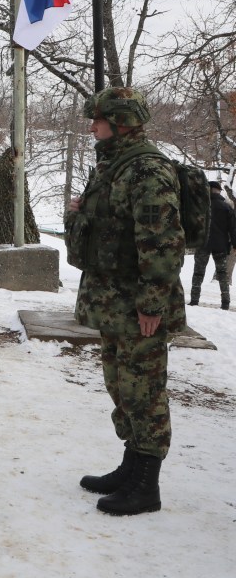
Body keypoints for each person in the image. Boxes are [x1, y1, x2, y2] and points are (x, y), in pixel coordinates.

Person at [66, 87, 186, 515]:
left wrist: (152, 303)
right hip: (114, 303)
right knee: (121, 386)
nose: (91, 125)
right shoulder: (112, 166)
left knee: (144, 391)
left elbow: (162, 242)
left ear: (120, 122)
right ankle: (131, 465)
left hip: (138, 305)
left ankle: (145, 485)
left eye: (97, 118)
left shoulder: (147, 169)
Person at [189, 180, 236, 309]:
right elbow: (233, 228)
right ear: (219, 191)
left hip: (203, 243)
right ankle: (225, 303)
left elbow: (193, 223)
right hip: (220, 245)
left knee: (198, 272)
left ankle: (194, 300)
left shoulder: (201, 206)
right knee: (222, 274)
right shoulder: (227, 207)